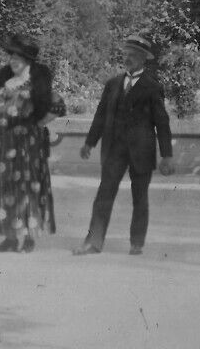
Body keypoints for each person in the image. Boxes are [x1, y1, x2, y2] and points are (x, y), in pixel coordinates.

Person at [73, 33, 175, 257]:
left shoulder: (152, 87)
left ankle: (136, 243)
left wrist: (167, 155)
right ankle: (93, 242)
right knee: (103, 196)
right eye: (125, 53)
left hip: (142, 151)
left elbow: (162, 122)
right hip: (114, 151)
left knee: (140, 198)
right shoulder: (112, 84)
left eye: (133, 54)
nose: (127, 58)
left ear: (143, 58)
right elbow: (100, 116)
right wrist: (89, 143)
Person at [0, 33, 57, 253]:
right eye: (12, 57)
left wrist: (37, 124)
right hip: (2, 144)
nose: (13, 61)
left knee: (26, 189)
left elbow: (56, 107)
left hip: (27, 145)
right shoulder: (3, 80)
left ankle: (27, 237)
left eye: (18, 58)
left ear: (28, 61)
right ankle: (9, 237)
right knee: (4, 187)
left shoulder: (35, 82)